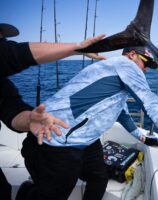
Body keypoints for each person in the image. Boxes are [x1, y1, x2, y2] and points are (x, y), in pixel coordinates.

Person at [21, 46, 158, 200]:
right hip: (55, 140)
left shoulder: (116, 74)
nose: (146, 69)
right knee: (53, 195)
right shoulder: (126, 66)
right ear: (131, 55)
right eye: (145, 62)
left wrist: (142, 137)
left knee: (99, 177)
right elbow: (152, 108)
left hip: (85, 140)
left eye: (149, 66)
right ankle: (26, 192)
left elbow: (121, 114)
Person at [0, 23, 106, 200]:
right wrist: (76, 48)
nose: (3, 42)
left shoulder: (3, 86)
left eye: (3, 39)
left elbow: (12, 111)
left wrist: (29, 120)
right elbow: (11, 55)